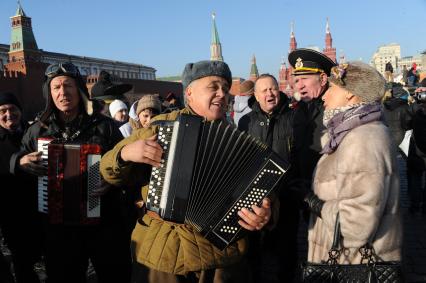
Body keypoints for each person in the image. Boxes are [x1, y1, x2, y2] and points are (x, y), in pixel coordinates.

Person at [100, 60, 272, 283]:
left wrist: (266, 211)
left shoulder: (238, 139)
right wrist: (125, 153)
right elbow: (106, 170)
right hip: (165, 257)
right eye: (213, 87)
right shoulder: (160, 126)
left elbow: (262, 190)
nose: (222, 94)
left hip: (221, 259)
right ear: (189, 92)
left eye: (225, 89)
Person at [10, 62, 131, 283]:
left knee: (114, 275)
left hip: (104, 222)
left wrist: (113, 181)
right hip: (58, 228)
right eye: (56, 87)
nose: (62, 93)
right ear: (49, 93)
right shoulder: (37, 130)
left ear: (79, 90)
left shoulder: (105, 126)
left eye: (68, 86)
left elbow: (128, 163)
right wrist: (19, 161)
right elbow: (18, 160)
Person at [302, 61, 401, 265]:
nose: (324, 96)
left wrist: (317, 205)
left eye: (331, 88)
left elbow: (355, 226)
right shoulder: (352, 132)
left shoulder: (362, 138)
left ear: (349, 93)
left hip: (352, 264)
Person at [238, 74, 308, 282]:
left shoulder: (294, 119)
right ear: (256, 96)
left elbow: (301, 158)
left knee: (286, 248)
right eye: (264, 90)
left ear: (279, 91)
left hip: (286, 196)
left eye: (273, 89)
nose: (270, 93)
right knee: (253, 249)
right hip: (255, 198)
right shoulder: (245, 121)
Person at [0, 91, 43, 283]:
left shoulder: (35, 132)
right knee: (22, 262)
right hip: (12, 212)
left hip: (42, 207)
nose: (9, 114)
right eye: (3, 111)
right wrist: (17, 162)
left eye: (13, 109)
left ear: (20, 110)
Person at [288, 48, 336, 182]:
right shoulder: (299, 110)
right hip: (302, 190)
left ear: (322, 79)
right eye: (297, 81)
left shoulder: (335, 109)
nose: (300, 86)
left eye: (304, 79)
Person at [402, 81, 426, 214]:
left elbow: (407, 125)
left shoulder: (415, 111)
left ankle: (415, 206)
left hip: (417, 152)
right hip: (418, 152)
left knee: (416, 180)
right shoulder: (417, 112)